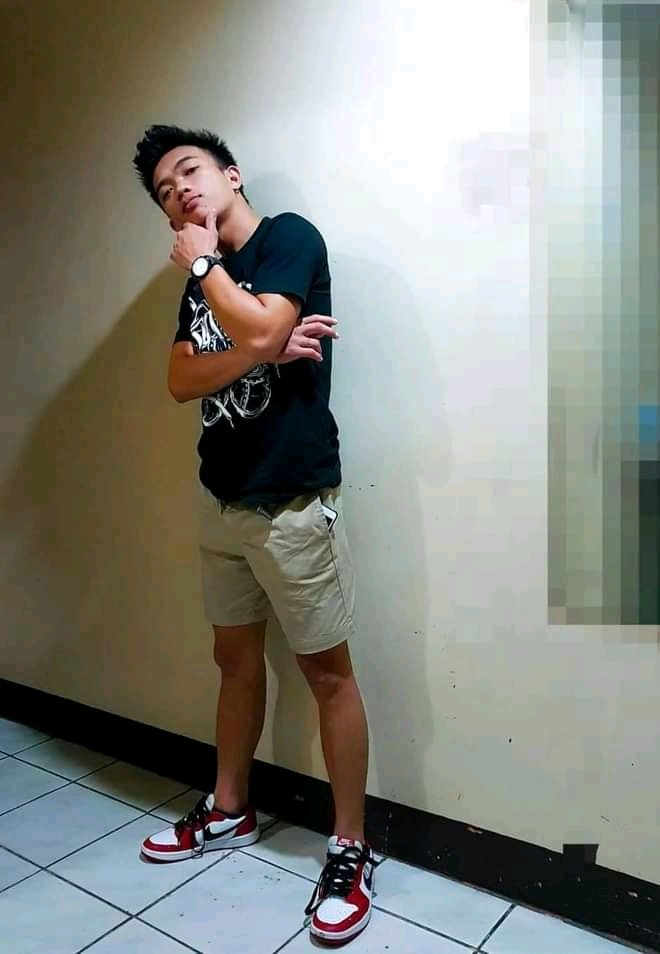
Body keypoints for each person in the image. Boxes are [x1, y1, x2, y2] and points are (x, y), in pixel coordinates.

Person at [132, 125, 377, 945]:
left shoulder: (287, 239)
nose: (180, 192)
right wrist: (259, 349)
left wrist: (211, 273)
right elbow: (180, 379)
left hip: (292, 501)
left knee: (328, 674)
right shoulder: (202, 283)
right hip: (221, 500)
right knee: (232, 662)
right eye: (165, 192)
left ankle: (350, 846)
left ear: (230, 175)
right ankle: (230, 807)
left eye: (189, 172)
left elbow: (269, 332)